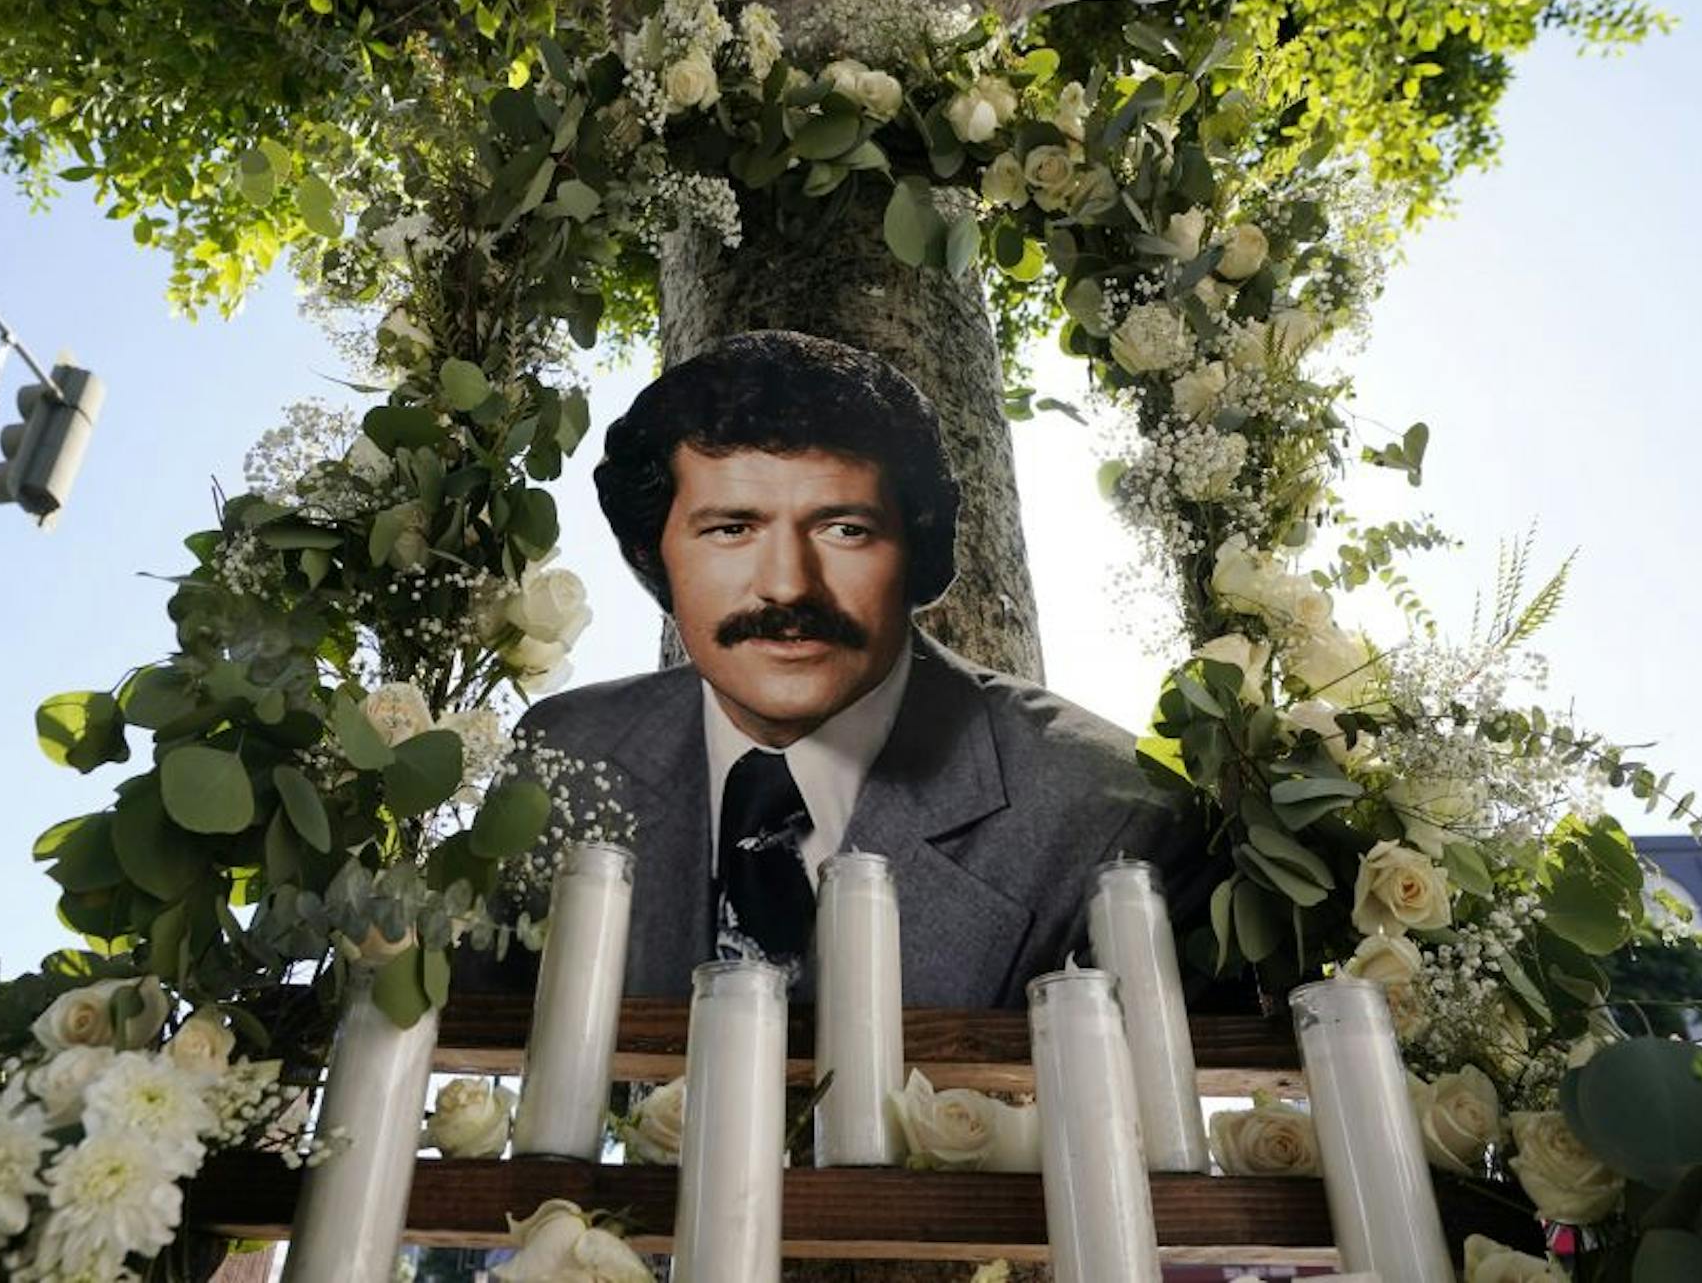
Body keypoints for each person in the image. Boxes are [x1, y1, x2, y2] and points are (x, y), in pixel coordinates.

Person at [503, 330, 1210, 1009]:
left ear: (917, 550)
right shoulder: (565, 752)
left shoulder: (1107, 812)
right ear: (655, 555)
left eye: (845, 529)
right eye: (731, 529)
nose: (787, 586)